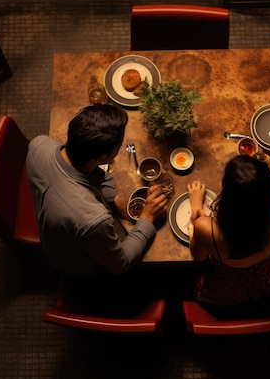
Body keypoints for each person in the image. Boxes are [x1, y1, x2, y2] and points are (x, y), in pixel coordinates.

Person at [26, 104, 168, 278]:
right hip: (79, 267)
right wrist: (147, 218)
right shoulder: (93, 220)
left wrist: (111, 196)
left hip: (54, 225)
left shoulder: (38, 144)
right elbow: (119, 263)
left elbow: (87, 171)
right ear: (102, 158)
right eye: (120, 144)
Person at [186, 155, 270, 318]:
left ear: (228, 198)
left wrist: (196, 210)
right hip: (262, 282)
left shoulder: (206, 229)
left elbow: (198, 257)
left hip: (223, 289)